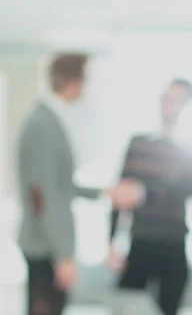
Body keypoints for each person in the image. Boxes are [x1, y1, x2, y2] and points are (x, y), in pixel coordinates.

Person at [17, 53, 141, 315]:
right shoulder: (44, 125)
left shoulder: (48, 121)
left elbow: (59, 186)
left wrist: (104, 192)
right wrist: (63, 255)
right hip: (45, 246)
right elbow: (45, 196)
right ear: (74, 82)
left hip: (45, 243)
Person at [108, 78, 192, 315]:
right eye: (165, 98)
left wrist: (142, 191)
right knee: (124, 307)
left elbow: (183, 189)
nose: (168, 104)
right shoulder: (138, 144)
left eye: (175, 99)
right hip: (139, 242)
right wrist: (111, 243)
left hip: (173, 244)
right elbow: (121, 193)